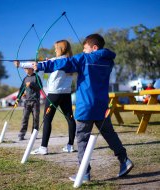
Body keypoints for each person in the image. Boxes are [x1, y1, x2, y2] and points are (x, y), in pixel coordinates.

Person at [33, 34, 134, 182]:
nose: (83, 50)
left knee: (82, 140)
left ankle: (84, 173)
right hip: (101, 106)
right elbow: (69, 62)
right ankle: (124, 160)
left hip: (86, 107)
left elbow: (66, 63)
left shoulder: (85, 58)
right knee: (109, 134)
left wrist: (42, 65)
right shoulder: (108, 61)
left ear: (94, 48)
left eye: (85, 48)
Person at [15, 40, 76, 154]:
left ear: (61, 49)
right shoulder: (71, 61)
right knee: (70, 119)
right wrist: (47, 63)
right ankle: (70, 146)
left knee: (47, 120)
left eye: (56, 48)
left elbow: (35, 65)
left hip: (54, 95)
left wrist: (20, 64)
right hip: (66, 94)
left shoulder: (55, 61)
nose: (54, 50)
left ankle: (43, 148)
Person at [16, 66, 42, 141]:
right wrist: (18, 98)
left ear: (31, 69)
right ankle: (21, 134)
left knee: (36, 118)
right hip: (27, 101)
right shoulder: (25, 78)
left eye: (27, 68)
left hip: (35, 101)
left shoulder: (37, 77)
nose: (25, 70)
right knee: (24, 118)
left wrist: (31, 84)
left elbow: (39, 87)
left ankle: (34, 134)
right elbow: (21, 89)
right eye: (24, 69)